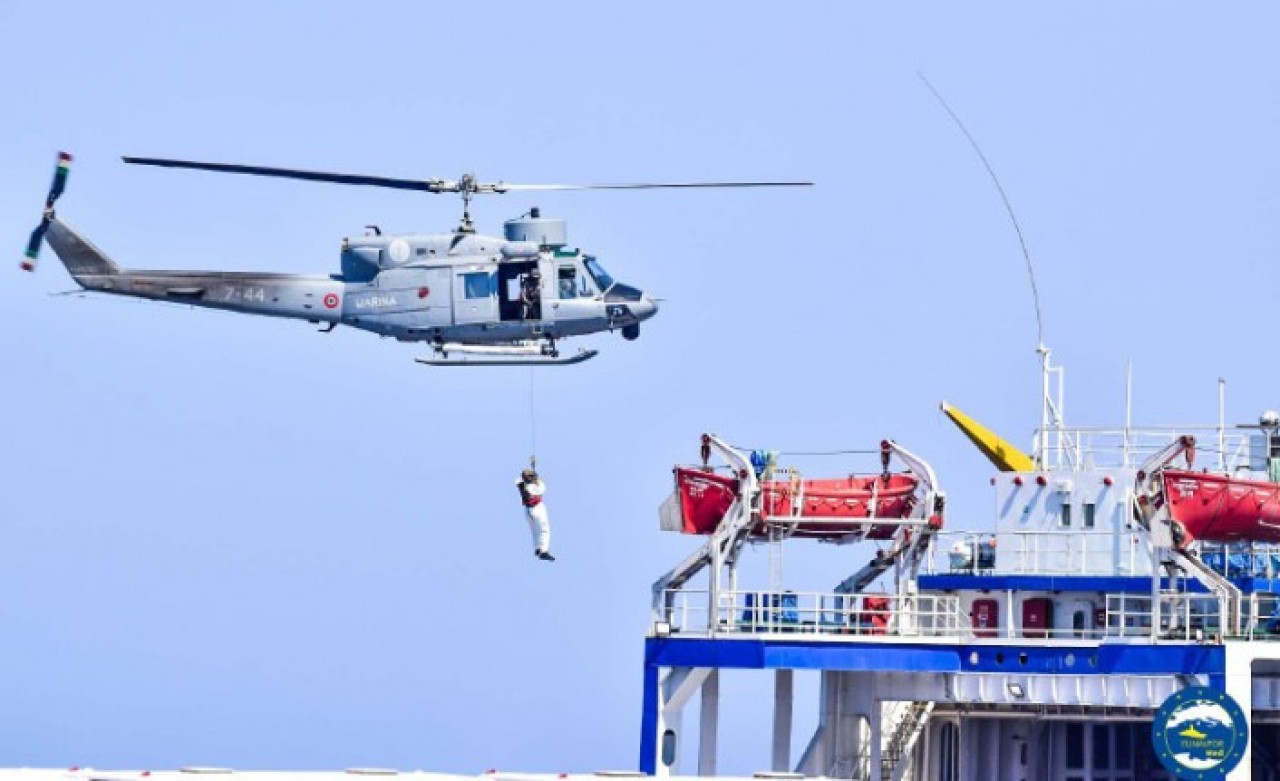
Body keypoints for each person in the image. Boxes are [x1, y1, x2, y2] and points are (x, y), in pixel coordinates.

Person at [516, 468, 554, 561]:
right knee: (544, 530)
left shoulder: (521, 484)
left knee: (535, 531)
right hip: (537, 508)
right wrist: (537, 479)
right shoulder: (530, 487)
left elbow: (521, 480)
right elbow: (542, 489)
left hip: (528, 511)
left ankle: (537, 548)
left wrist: (534, 478)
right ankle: (543, 551)